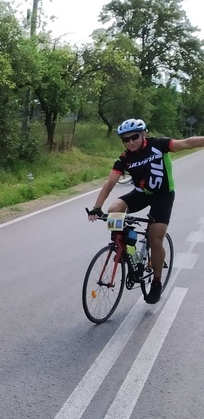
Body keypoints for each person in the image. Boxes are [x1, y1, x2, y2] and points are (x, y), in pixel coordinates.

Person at [87, 118, 204, 304]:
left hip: (163, 196)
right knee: (114, 210)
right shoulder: (125, 158)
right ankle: (123, 246)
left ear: (143, 134)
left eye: (134, 137)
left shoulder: (158, 145)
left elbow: (187, 143)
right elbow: (110, 182)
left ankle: (156, 282)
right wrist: (96, 208)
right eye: (125, 140)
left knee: (155, 237)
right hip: (141, 194)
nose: (130, 142)